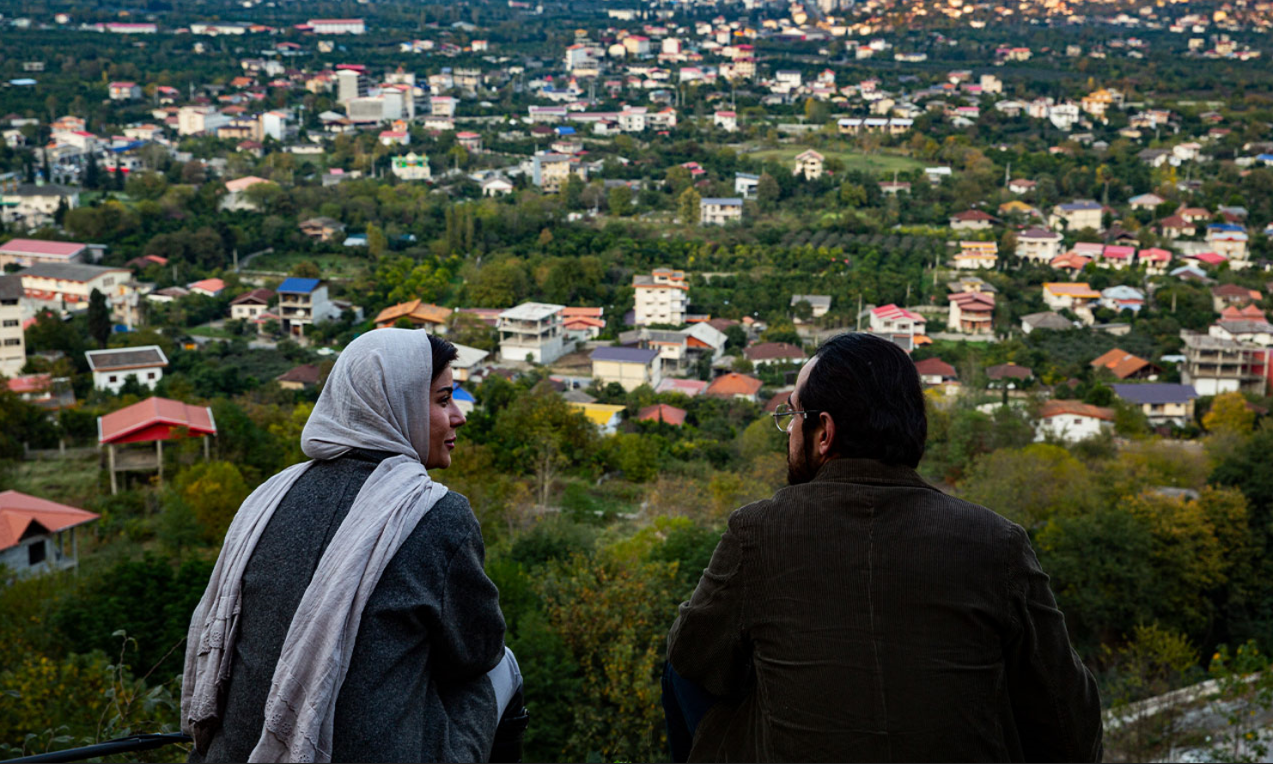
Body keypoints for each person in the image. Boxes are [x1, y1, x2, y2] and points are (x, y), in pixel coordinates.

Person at [664, 332, 1103, 762]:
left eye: (795, 415)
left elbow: (690, 656)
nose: (790, 430)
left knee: (682, 663)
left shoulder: (758, 532)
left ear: (824, 433)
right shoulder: (998, 542)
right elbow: (1070, 720)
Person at [181, 329, 522, 763]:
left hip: (236, 753)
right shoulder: (435, 516)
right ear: (395, 406)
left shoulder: (269, 497)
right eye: (441, 400)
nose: (459, 416)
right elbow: (478, 651)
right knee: (504, 665)